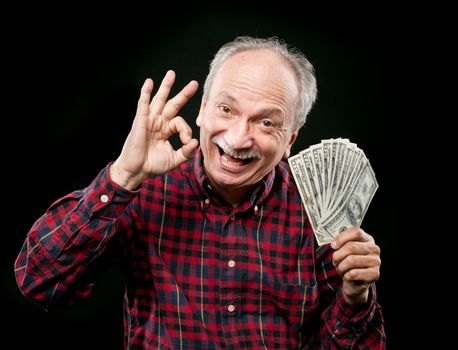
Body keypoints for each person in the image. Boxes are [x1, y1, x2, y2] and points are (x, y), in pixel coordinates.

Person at [14, 36, 385, 349]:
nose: (239, 138)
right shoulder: (143, 191)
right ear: (203, 110)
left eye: (266, 122)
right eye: (226, 109)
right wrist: (122, 176)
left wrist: (355, 298)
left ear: (290, 139)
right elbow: (39, 280)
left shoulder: (318, 209)